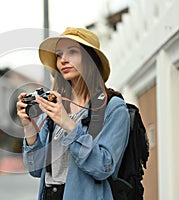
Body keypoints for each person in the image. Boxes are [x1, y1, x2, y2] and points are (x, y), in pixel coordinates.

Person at [16, 27, 130, 200]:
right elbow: (36, 169)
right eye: (59, 54)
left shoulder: (113, 107)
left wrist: (68, 124)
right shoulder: (55, 105)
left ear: (91, 59)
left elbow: (102, 167)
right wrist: (29, 127)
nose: (63, 60)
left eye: (73, 52)